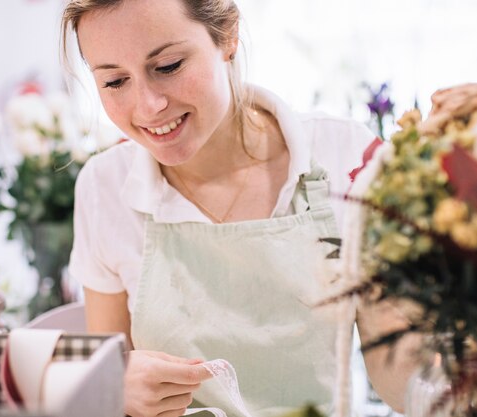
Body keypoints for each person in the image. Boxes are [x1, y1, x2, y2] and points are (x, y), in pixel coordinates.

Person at [61, 1, 419, 416]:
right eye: (115, 81)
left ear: (228, 35)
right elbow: (109, 379)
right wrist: (114, 385)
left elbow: (401, 366)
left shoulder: (345, 156)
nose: (147, 106)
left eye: (169, 66)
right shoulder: (103, 187)